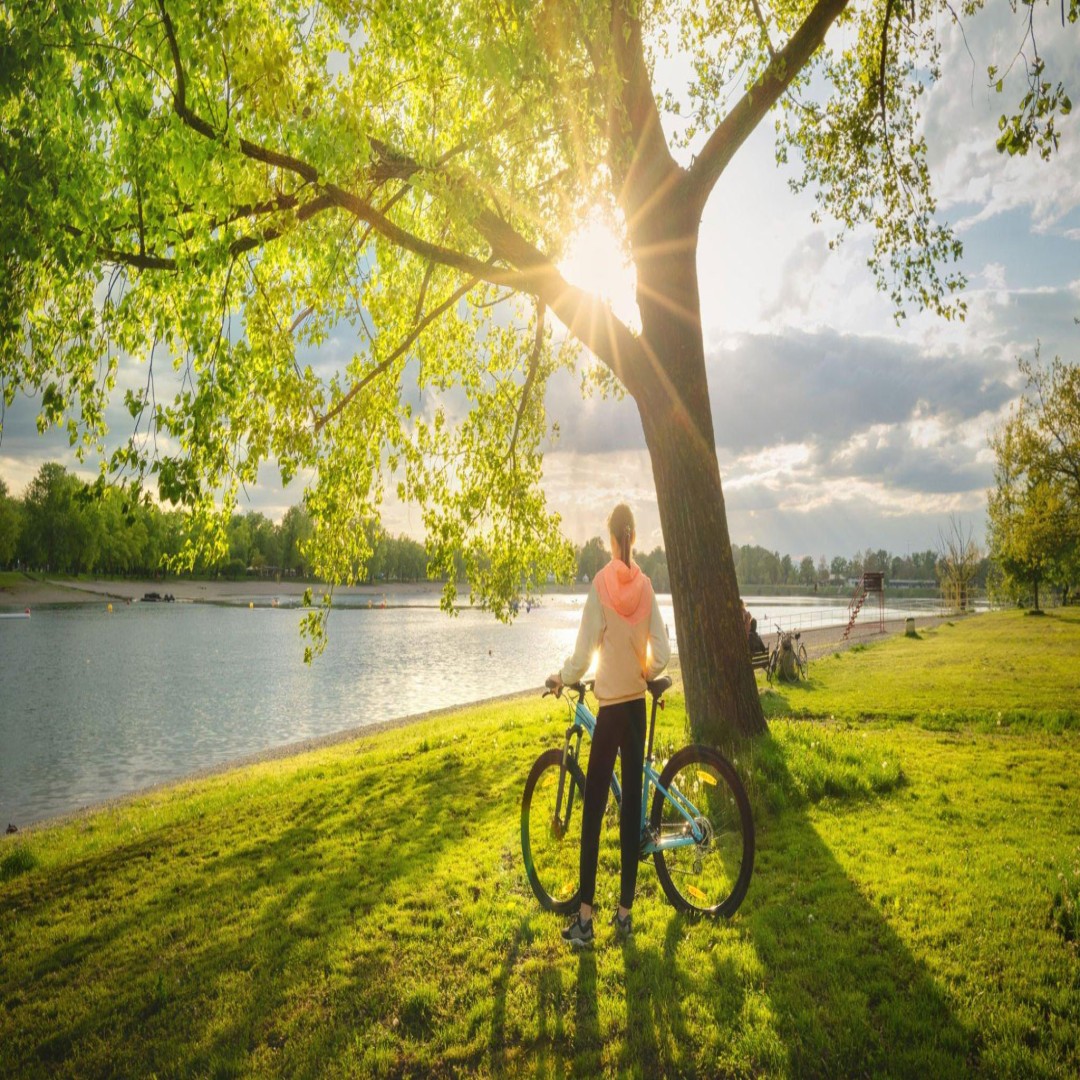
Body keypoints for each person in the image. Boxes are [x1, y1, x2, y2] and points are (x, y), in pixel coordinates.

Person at [548, 503, 670, 948]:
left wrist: (563, 677)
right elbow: (664, 650)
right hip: (636, 708)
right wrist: (645, 669)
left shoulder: (601, 584)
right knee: (633, 804)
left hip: (611, 710)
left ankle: (585, 920)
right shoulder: (647, 587)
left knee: (594, 814)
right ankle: (624, 915)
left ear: (610, 536)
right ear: (633, 537)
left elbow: (582, 655)